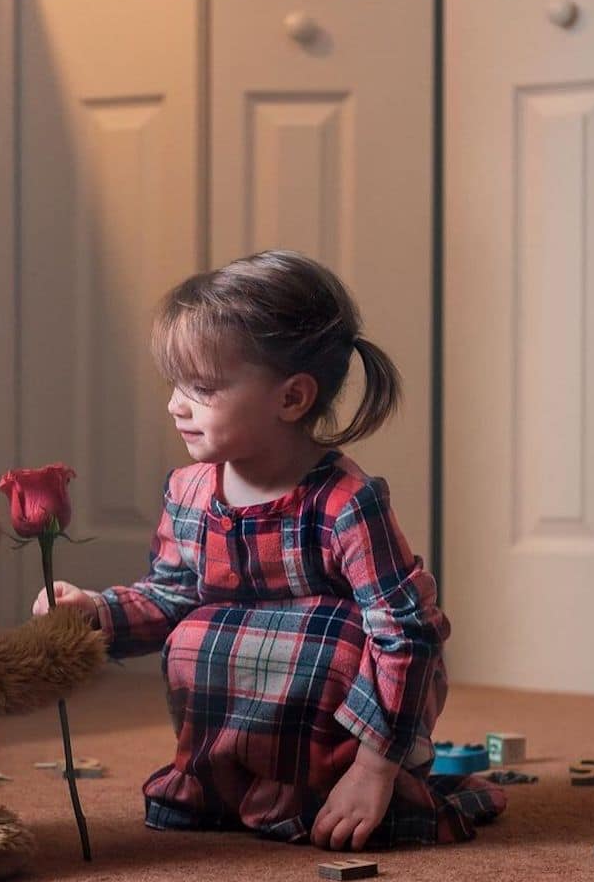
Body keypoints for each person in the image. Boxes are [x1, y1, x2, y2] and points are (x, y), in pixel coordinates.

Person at [32, 249, 505, 850]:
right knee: (195, 637)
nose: (176, 404)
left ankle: (337, 785)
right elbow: (171, 597)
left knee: (330, 642)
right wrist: (95, 612)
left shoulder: (345, 503)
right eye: (175, 385)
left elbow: (405, 633)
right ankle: (225, 780)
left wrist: (375, 767)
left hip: (341, 733)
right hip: (239, 720)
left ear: (291, 399)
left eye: (201, 388)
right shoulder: (190, 491)